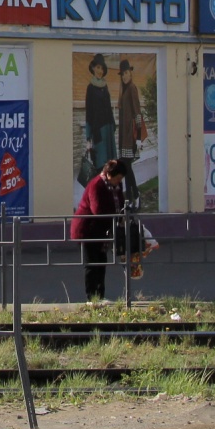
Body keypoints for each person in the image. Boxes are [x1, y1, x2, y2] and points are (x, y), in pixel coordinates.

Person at [71, 158, 126, 303]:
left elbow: (120, 202)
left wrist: (122, 214)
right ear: (109, 174)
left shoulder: (117, 186)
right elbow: (98, 210)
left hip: (102, 230)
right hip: (87, 229)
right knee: (92, 264)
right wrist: (116, 217)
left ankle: (100, 297)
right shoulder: (96, 185)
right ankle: (91, 299)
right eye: (118, 178)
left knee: (101, 262)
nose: (119, 181)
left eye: (121, 179)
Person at [82, 55, 116, 182]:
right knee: (100, 164)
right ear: (93, 68)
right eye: (98, 67)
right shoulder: (90, 88)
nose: (100, 70)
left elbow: (109, 106)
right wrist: (88, 138)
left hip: (108, 129)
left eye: (102, 68)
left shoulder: (105, 86)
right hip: (98, 131)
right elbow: (89, 112)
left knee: (110, 165)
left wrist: (113, 125)